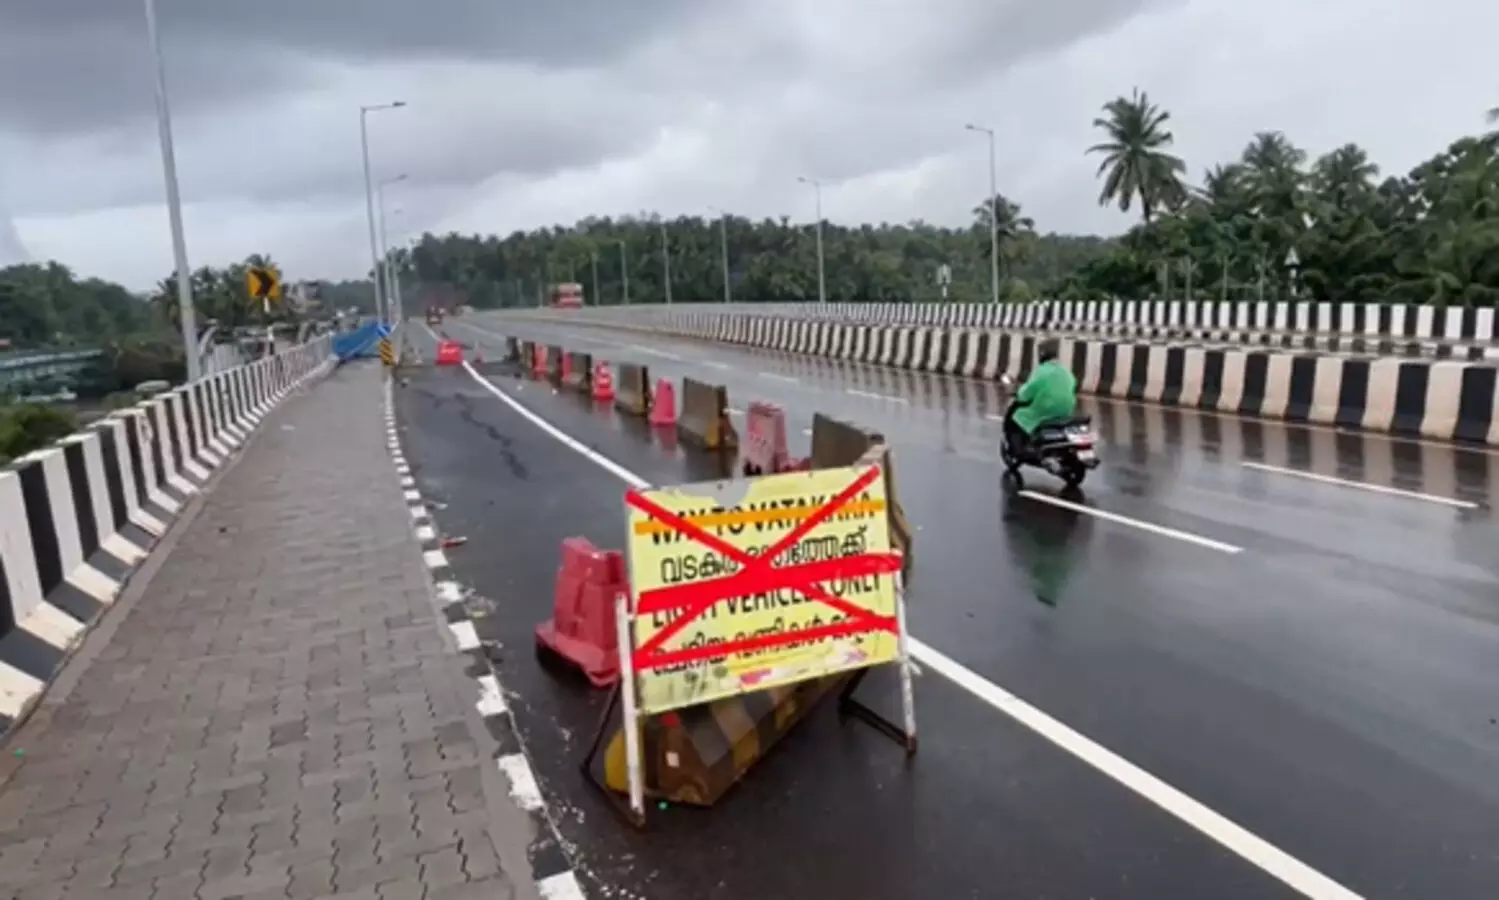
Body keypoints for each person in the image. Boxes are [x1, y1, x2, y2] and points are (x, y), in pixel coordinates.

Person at [1004, 337, 1078, 452]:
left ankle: (1021, 449)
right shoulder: (1066, 372)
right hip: (1065, 411)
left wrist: (1019, 393)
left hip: (1044, 410)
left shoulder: (1041, 371)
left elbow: (1027, 392)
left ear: (1042, 355)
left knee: (1017, 418)